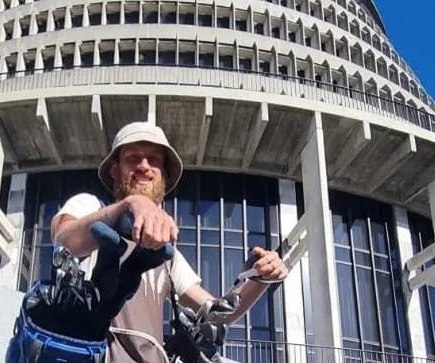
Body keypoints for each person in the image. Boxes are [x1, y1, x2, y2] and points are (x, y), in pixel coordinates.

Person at [51, 121, 288, 362]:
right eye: (133, 158)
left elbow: (217, 314)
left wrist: (260, 278)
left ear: (163, 175)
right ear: (114, 170)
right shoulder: (89, 206)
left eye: (154, 159)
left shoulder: (166, 256)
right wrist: (131, 203)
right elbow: (65, 239)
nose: (144, 166)